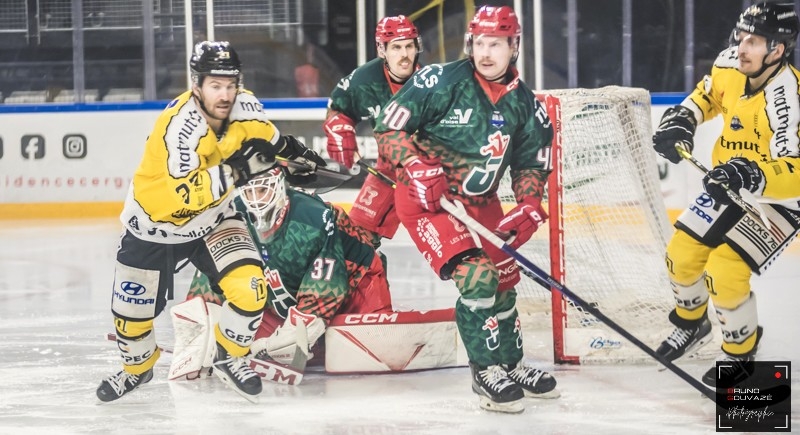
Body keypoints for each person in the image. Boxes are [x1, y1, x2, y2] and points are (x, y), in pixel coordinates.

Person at [95, 41, 326, 403]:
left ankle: (230, 356)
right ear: (197, 85)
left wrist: (300, 156)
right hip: (153, 226)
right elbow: (185, 195)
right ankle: (137, 370)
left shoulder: (244, 105)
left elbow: (268, 137)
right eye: (215, 85)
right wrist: (240, 168)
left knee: (252, 290)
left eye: (230, 84)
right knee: (130, 321)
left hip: (213, 221)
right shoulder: (180, 128)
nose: (224, 94)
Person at [372, 5, 558, 414]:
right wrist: (415, 164)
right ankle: (485, 371)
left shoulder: (528, 106)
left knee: (506, 282)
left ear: (515, 47)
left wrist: (528, 203)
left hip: (481, 202)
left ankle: (511, 363)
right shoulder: (440, 81)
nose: (485, 52)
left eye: (496, 44)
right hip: (426, 201)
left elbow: (530, 165)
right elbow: (388, 128)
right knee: (478, 278)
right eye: (479, 43)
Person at [652, 2, 800, 388]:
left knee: (725, 270)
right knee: (681, 256)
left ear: (779, 50)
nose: (742, 46)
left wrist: (751, 174)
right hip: (730, 182)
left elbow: (797, 171)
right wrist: (684, 117)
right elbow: (709, 95)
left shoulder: (789, 98)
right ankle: (691, 322)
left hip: (777, 202)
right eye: (741, 35)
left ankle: (741, 355)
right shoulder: (730, 64)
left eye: (754, 41)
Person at [183, 166, 394, 369]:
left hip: (355, 280)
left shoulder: (313, 219)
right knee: (247, 339)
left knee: (368, 349)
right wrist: (200, 335)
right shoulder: (232, 215)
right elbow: (214, 275)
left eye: (263, 190)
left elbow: (325, 289)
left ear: (278, 187)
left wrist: (292, 336)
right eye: (249, 191)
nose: (256, 200)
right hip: (285, 292)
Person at [323, 15, 423, 251]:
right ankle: (374, 280)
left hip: (431, 174)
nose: (404, 54)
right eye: (396, 47)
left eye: (409, 45)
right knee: (355, 244)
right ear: (382, 49)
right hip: (388, 173)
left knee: (465, 256)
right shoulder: (363, 79)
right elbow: (338, 108)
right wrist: (340, 129)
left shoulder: (432, 82)